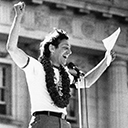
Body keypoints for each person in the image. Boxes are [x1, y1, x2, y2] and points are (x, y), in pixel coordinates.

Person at [6, 2, 115, 128]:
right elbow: (12, 49)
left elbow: (87, 81)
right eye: (65, 48)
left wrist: (106, 61)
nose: (69, 52)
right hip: (44, 122)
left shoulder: (66, 75)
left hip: (64, 124)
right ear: (52, 48)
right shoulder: (36, 67)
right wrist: (18, 17)